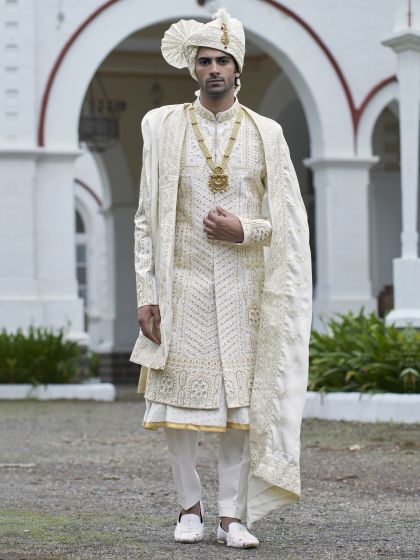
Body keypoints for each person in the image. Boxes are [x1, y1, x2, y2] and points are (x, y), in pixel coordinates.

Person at [130, 8, 312, 549]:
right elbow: (144, 219)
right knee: (179, 411)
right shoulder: (163, 126)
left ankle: (232, 516)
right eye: (205, 61)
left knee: (240, 412)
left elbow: (288, 224)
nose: (214, 70)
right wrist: (146, 293)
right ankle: (189, 507)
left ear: (238, 69)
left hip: (243, 293)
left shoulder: (267, 133)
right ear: (194, 68)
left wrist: (244, 229)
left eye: (223, 61)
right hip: (180, 290)